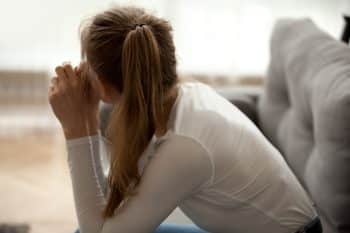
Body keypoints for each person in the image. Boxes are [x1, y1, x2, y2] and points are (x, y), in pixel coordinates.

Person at [48, 6, 322, 233]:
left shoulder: (186, 145)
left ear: (105, 87)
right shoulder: (175, 101)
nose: (81, 70)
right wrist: (87, 121)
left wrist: (76, 130)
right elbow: (105, 207)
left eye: (87, 64)